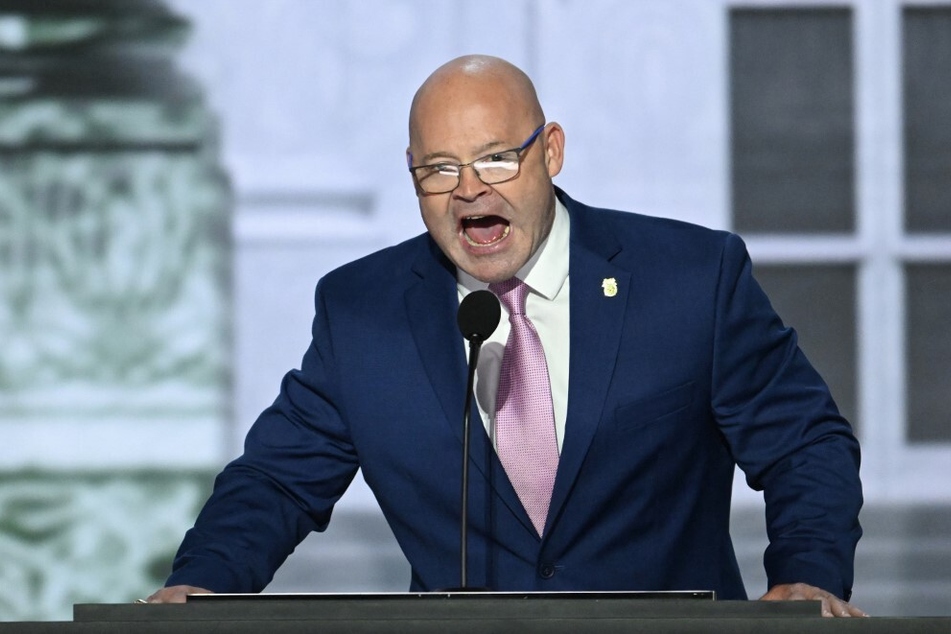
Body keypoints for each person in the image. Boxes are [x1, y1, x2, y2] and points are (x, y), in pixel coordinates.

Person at [149, 54, 865, 617]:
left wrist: (805, 581)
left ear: (549, 151)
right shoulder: (361, 312)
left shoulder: (687, 279)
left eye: (496, 157)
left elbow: (803, 444)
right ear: (413, 177)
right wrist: (200, 585)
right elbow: (276, 480)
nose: (470, 189)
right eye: (439, 169)